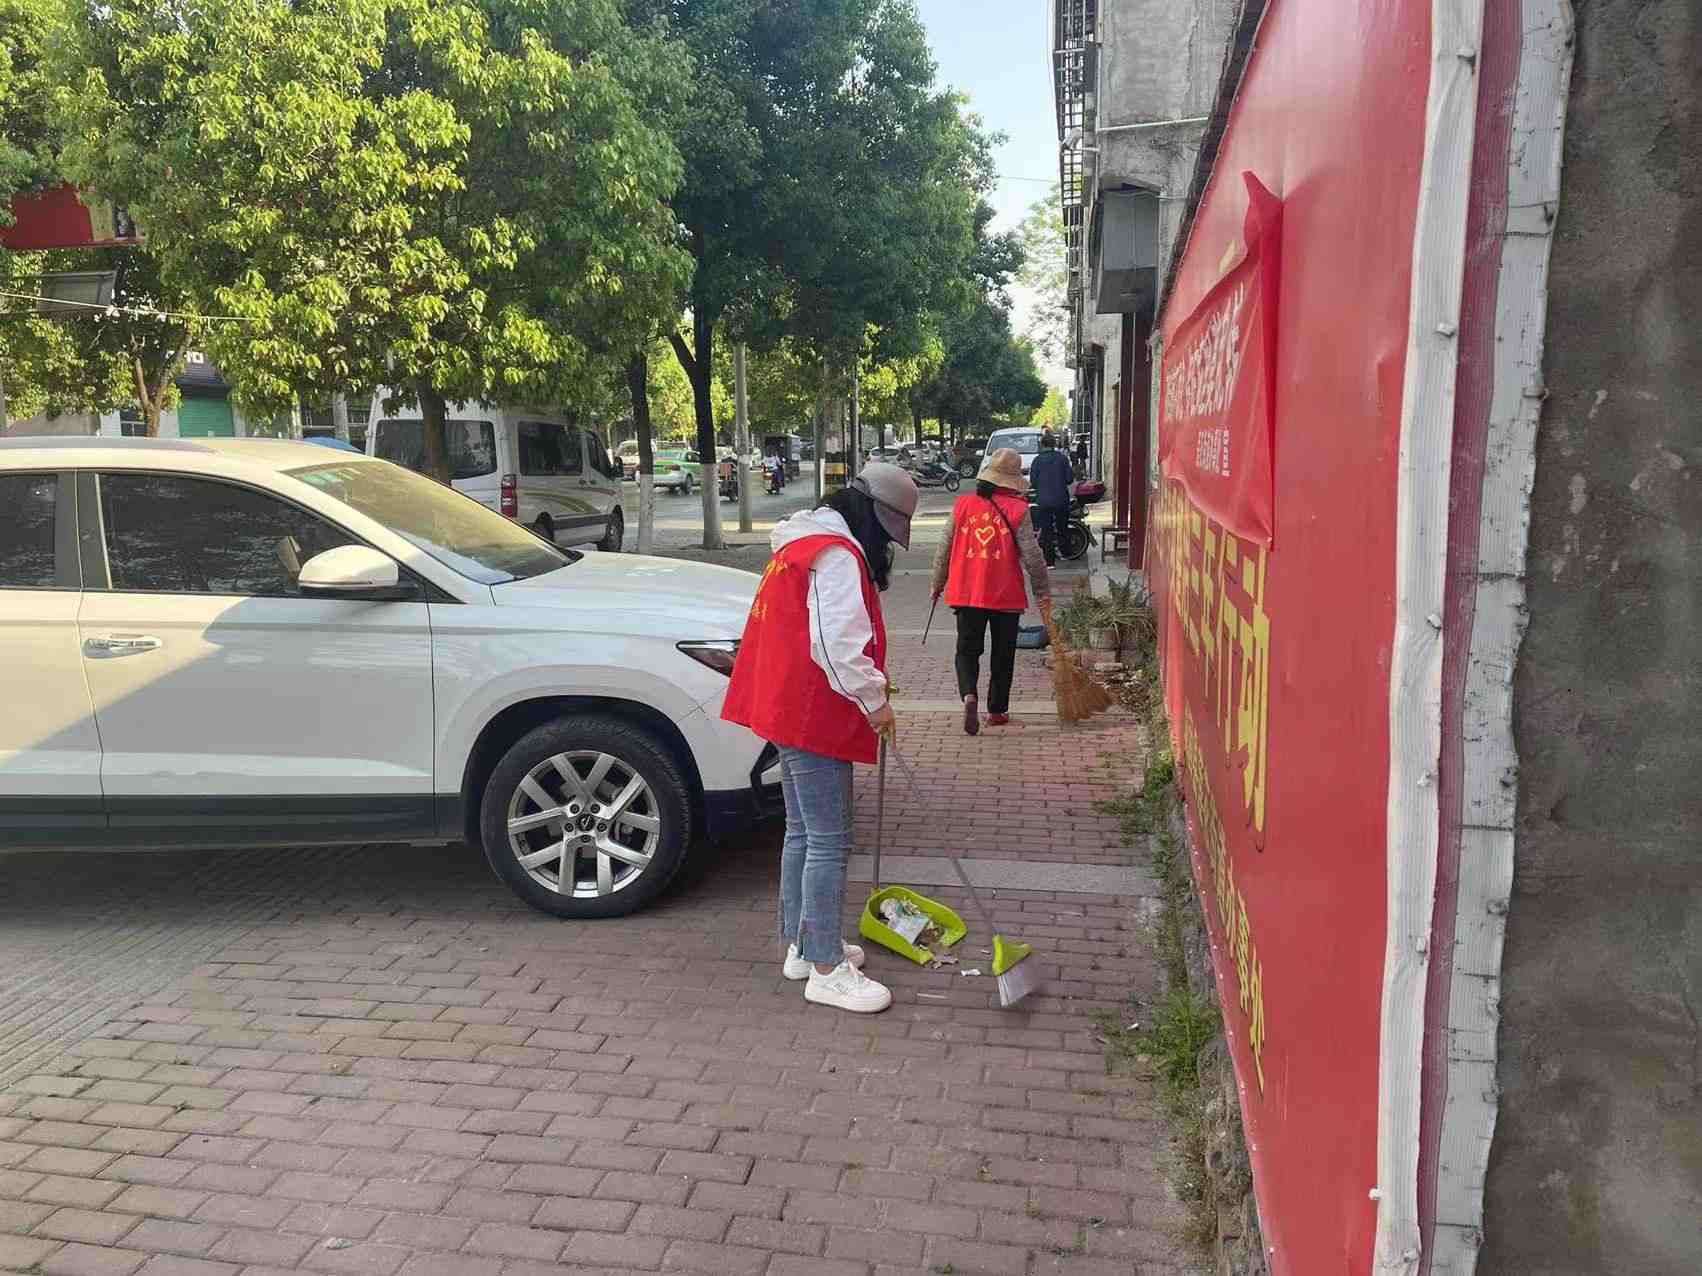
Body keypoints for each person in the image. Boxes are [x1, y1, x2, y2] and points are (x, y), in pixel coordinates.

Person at [721, 461, 920, 1014]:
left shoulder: (802, 542)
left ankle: (804, 946)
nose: (886, 547)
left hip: (788, 708)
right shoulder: (837, 555)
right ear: (875, 519)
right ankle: (828, 969)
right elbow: (837, 646)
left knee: (803, 832)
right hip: (814, 713)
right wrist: (875, 701)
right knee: (829, 839)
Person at [931, 448, 1051, 735]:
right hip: (1005, 594)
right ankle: (997, 711)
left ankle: (968, 695)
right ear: (1012, 481)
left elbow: (944, 547)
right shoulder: (1019, 510)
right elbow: (1033, 556)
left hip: (967, 592)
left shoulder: (963, 505)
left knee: (966, 650)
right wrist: (1042, 591)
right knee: (1003, 654)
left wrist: (937, 583)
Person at [1028, 432, 1075, 566]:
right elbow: (1069, 479)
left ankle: (1049, 561)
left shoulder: (1037, 461)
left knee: (1046, 530)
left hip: (1043, 500)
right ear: (1054, 444)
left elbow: (1033, 482)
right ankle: (1065, 553)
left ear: (1042, 445)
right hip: (1061, 499)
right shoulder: (1062, 459)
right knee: (1062, 527)